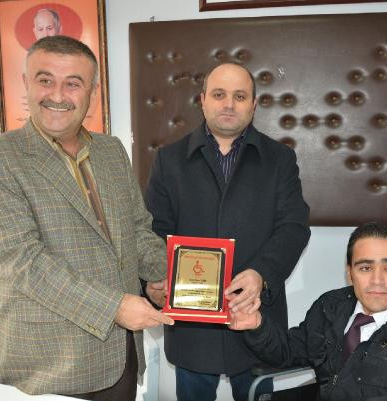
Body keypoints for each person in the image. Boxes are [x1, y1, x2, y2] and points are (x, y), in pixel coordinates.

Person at [0, 35, 173, 400]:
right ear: (26, 83)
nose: (57, 95)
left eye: (73, 83)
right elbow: (23, 262)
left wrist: (162, 276)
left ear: (92, 92)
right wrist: (114, 307)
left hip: (121, 358)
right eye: (45, 80)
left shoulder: (111, 150)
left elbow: (137, 229)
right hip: (49, 367)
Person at [144, 62, 311, 401]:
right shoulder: (169, 160)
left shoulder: (280, 159)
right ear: (203, 100)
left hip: (254, 319)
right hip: (192, 325)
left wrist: (262, 274)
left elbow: (293, 227)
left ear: (254, 104)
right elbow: (153, 230)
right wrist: (155, 280)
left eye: (240, 96)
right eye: (219, 94)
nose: (229, 104)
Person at [230, 222, 387, 401]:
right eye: (365, 268)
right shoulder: (331, 306)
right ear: (350, 273)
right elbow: (289, 351)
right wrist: (257, 325)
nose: (377, 281)